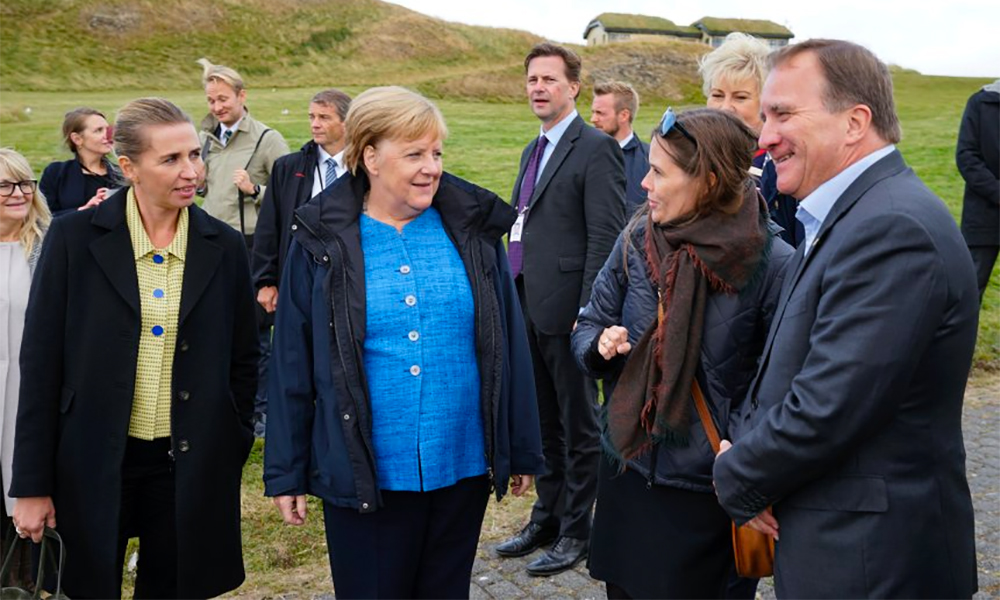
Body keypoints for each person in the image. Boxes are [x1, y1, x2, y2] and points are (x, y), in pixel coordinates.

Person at [713, 39, 980, 598]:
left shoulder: (892, 229)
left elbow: (831, 402)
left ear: (856, 121)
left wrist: (740, 475)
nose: (763, 138)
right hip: (842, 538)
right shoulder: (856, 214)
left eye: (783, 114)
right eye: (764, 117)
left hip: (871, 558)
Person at [263, 86, 544, 599]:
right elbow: (292, 361)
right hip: (365, 471)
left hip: (459, 465)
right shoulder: (320, 241)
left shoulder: (473, 231)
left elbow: (508, 344)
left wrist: (520, 446)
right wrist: (286, 470)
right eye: (413, 153)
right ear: (369, 155)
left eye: (436, 153)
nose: (430, 167)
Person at [9, 98, 259, 598]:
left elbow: (243, 358)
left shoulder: (224, 245)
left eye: (194, 154)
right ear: (129, 168)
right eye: (170, 160)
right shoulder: (74, 239)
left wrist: (231, 435)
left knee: (173, 587)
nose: (191, 171)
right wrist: (31, 484)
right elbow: (40, 363)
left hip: (187, 464)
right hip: (92, 461)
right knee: (87, 586)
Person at [571, 107, 792, 599]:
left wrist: (741, 456)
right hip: (628, 470)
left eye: (659, 172)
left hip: (706, 492)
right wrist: (600, 346)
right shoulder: (636, 236)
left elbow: (782, 380)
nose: (644, 183)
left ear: (709, 181)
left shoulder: (774, 263)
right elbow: (588, 324)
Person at [495, 42, 625, 577]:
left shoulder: (595, 147)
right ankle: (546, 516)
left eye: (549, 79)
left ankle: (577, 529)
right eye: (532, 80)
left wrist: (590, 311)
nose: (538, 88)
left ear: (573, 87)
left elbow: (607, 234)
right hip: (527, 300)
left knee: (578, 426)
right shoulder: (534, 148)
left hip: (571, 313)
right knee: (542, 421)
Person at [197, 58, 289, 437]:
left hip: (250, 246)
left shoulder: (267, 139)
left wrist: (256, 191)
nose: (217, 107)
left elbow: (290, 197)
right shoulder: (203, 139)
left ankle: (261, 409)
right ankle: (220, 398)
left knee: (255, 333)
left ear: (242, 96)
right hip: (208, 242)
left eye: (223, 98)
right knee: (214, 327)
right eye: (211, 100)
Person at [699, 32, 805, 247]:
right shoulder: (693, 156)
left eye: (740, 97)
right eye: (717, 95)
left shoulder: (788, 165)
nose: (725, 107)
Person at [0, 148, 51, 591]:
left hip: (30, 389)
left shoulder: (49, 245)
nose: (17, 193)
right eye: (5, 185)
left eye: (24, 183)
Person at [252, 88, 352, 314]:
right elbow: (269, 225)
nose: (315, 124)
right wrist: (266, 281)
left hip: (349, 276)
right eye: (312, 117)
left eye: (324, 117)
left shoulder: (366, 168)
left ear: (347, 123)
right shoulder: (287, 168)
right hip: (297, 275)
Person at [957, 79, 999, 303]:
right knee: (969, 291)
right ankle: (959, 339)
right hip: (984, 215)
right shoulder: (980, 103)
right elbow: (966, 157)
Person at [39, 107, 124, 216]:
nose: (108, 136)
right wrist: (84, 210)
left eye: (107, 130)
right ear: (77, 139)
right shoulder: (56, 173)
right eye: (98, 130)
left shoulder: (121, 173)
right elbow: (43, 217)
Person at [590, 81, 649, 216]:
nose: (593, 119)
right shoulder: (581, 155)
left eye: (600, 113)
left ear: (624, 115)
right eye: (593, 112)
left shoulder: (650, 161)